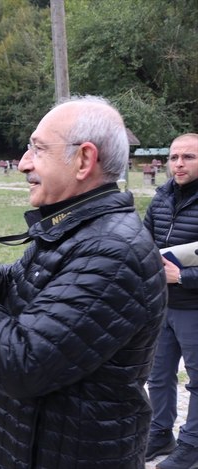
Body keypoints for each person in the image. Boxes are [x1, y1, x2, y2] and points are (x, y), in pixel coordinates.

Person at [0, 95, 167, 468]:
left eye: (38, 149)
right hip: (26, 446)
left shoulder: (113, 253)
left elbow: (20, 362)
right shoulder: (73, 229)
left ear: (84, 159)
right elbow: (12, 295)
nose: (23, 164)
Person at [144, 132, 198, 469]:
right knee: (158, 376)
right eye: (174, 157)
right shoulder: (161, 197)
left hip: (194, 308)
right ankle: (160, 432)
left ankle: (192, 444)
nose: (178, 164)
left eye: (188, 157)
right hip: (160, 306)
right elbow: (143, 240)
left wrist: (184, 277)